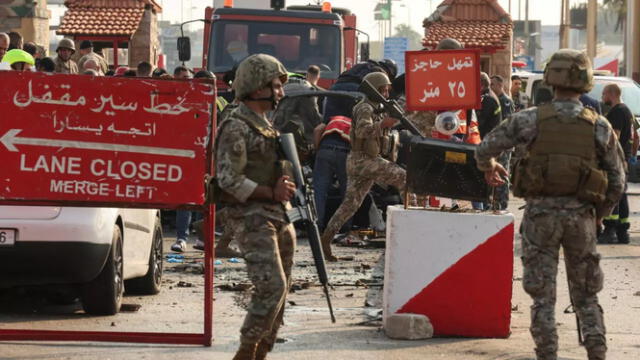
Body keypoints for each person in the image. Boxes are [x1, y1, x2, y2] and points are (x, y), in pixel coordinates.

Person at [476, 49, 625, 360]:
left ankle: (548, 354)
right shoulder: (599, 125)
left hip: (540, 218)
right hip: (581, 219)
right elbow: (618, 181)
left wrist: (491, 166)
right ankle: (597, 353)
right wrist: (599, 216)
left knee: (543, 298)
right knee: (586, 296)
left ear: (550, 78)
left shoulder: (528, 119)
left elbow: (485, 148)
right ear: (585, 80)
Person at [215, 53, 296, 360]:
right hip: (250, 216)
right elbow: (227, 179)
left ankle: (263, 350)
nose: (280, 92)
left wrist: (286, 184)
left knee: (283, 289)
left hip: (278, 214)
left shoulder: (265, 124)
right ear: (256, 86)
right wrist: (269, 191)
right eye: (275, 85)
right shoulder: (236, 125)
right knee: (271, 287)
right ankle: (246, 351)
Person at [320, 72, 405, 261]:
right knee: (403, 177)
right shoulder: (365, 108)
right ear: (374, 89)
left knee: (350, 205)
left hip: (360, 161)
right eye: (382, 89)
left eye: (387, 89)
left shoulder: (378, 107)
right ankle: (410, 230)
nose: (386, 92)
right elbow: (362, 131)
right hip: (364, 160)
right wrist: (383, 123)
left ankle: (326, 238)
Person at [599, 83, 634, 244]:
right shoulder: (627, 111)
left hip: (616, 159)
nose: (602, 98)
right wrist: (630, 155)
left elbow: (615, 137)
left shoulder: (617, 112)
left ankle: (610, 229)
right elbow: (636, 139)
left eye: (604, 94)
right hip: (624, 158)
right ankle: (622, 232)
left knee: (613, 193)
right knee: (622, 194)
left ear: (611, 94)